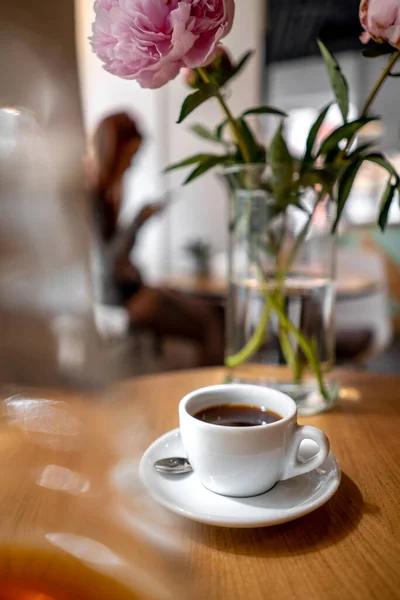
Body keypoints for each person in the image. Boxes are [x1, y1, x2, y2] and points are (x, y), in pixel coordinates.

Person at [89, 112, 224, 366]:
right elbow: (106, 263)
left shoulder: (109, 195)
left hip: (131, 289)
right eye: (131, 157)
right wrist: (139, 220)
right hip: (120, 301)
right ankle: (207, 395)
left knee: (213, 312)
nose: (132, 164)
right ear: (113, 150)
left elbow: (118, 258)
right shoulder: (91, 198)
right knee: (208, 322)